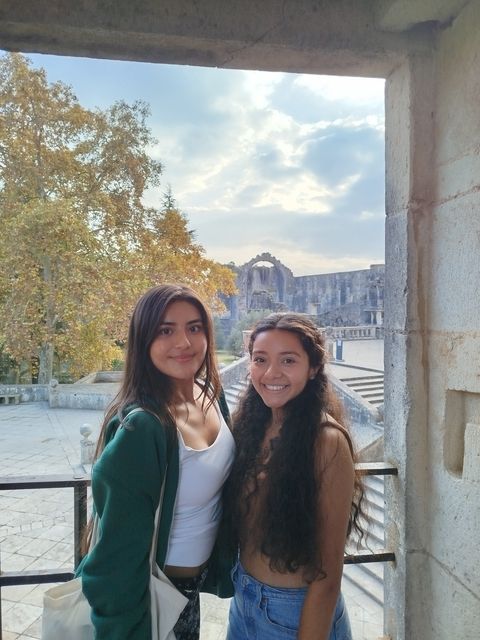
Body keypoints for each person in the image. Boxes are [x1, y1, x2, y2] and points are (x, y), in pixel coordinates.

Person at [77, 284, 236, 640]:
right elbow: (115, 558)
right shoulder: (142, 427)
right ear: (143, 341)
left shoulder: (211, 396)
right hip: (150, 594)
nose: (184, 342)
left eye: (194, 327)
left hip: (190, 593)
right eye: (166, 330)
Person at [225, 313, 365, 640]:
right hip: (243, 599)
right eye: (260, 360)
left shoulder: (326, 441)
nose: (271, 373)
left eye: (288, 360)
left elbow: (328, 575)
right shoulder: (250, 426)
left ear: (313, 368)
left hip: (294, 613)